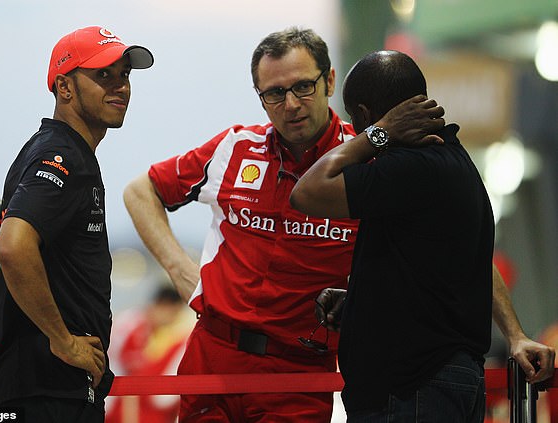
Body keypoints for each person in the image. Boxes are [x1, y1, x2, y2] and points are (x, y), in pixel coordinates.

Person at [123, 27, 444, 422]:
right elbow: (141, 192)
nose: (291, 104)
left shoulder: (369, 162)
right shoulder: (234, 148)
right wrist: (180, 270)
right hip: (212, 356)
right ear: (260, 97)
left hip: (299, 371)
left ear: (329, 81)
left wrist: (512, 333)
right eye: (274, 93)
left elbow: (450, 238)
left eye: (303, 87)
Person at [290, 50, 555, 422]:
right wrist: (364, 300)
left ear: (365, 115)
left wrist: (377, 136)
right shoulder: (454, 161)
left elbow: (307, 192)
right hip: (431, 386)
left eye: (356, 120)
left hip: (413, 391)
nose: (355, 130)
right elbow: (472, 264)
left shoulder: (409, 168)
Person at [0, 26, 153, 422]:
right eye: (103, 75)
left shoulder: (58, 150)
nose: (120, 86)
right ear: (65, 88)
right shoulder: (62, 156)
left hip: (48, 389)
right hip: (50, 393)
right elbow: (11, 247)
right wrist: (64, 342)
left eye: (124, 75)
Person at [106, 285, 193, 423]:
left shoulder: (158, 332)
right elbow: (126, 374)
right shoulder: (133, 325)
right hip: (115, 398)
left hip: (130, 399)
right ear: (162, 306)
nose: (172, 319)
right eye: (172, 313)